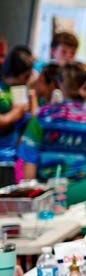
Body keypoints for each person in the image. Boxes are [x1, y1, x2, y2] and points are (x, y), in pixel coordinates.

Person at [19, 62, 86, 205]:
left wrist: (30, 201)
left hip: (50, 196)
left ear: (61, 84)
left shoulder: (42, 116)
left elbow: (29, 163)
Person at [0, 46, 35, 187]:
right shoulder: (2, 93)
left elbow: (31, 123)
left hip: (14, 158)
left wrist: (32, 99)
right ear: (24, 74)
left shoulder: (19, 91)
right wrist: (14, 114)